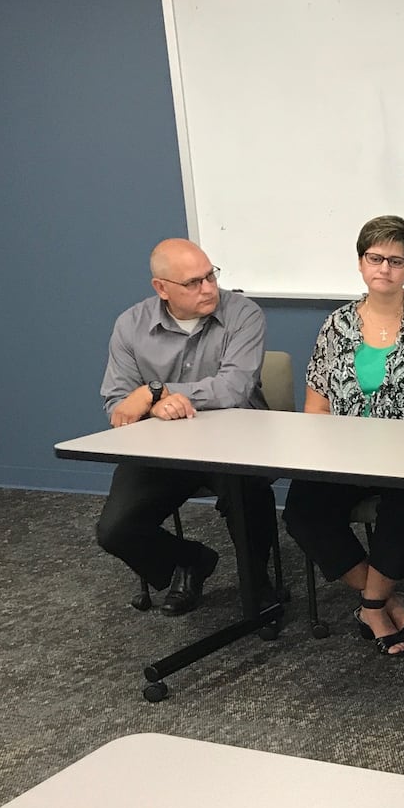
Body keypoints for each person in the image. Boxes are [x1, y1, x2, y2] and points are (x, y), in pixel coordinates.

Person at [282, 215, 404, 656]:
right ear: (361, 262)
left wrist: (394, 448)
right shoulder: (337, 325)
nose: (384, 268)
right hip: (346, 457)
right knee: (302, 509)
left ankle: (370, 606)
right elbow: (316, 406)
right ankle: (387, 598)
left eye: (396, 260)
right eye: (375, 258)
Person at [95, 238, 278, 616]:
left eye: (210, 275)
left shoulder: (243, 314)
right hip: (162, 449)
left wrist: (155, 392)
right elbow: (118, 407)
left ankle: (257, 583)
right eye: (193, 282)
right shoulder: (131, 325)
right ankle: (190, 560)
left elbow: (233, 389)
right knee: (115, 530)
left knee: (248, 493)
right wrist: (152, 408)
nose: (209, 288)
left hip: (235, 441)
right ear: (161, 288)